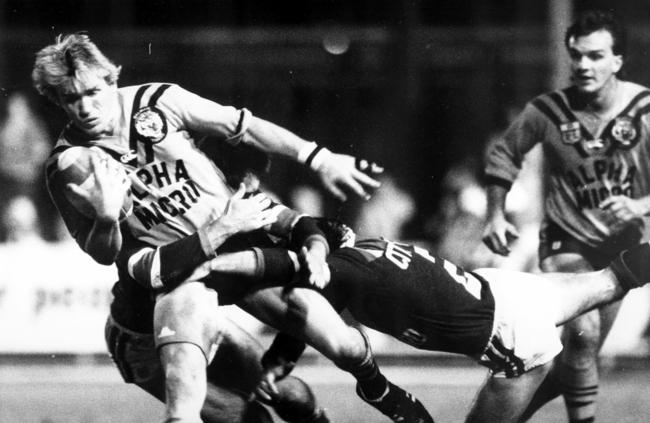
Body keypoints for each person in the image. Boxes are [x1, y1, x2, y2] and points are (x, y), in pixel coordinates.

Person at [33, 32, 385, 423]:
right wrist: (105, 217)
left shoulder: (158, 102)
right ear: (58, 101)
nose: (85, 107)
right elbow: (108, 256)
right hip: (148, 325)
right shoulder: (69, 165)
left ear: (113, 79)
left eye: (92, 92)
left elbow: (244, 126)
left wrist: (319, 159)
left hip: (203, 284)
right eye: (71, 99)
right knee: (248, 419)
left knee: (288, 392)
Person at [183, 231, 650, 423]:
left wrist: (204, 264)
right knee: (613, 278)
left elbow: (273, 267)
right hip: (509, 291)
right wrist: (278, 363)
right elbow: (312, 305)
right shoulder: (349, 247)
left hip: (510, 335)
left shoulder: (336, 272)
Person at [481, 10, 650, 422]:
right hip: (564, 242)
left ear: (617, 60)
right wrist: (495, 215)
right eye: (576, 56)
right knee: (584, 334)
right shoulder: (547, 110)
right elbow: (504, 154)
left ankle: (504, 415)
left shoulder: (644, 109)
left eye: (595, 56)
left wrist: (641, 205)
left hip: (624, 245)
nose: (582, 65)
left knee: (578, 358)